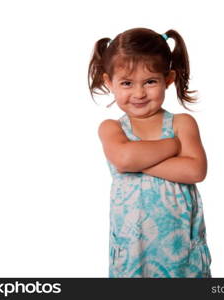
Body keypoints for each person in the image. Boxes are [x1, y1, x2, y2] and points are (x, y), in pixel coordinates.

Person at [88, 27, 212, 278]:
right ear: (109, 82)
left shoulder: (181, 123)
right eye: (126, 83)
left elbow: (195, 170)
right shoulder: (112, 128)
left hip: (181, 251)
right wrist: (173, 147)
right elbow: (123, 158)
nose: (139, 93)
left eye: (150, 81)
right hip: (133, 250)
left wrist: (135, 159)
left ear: (168, 79)